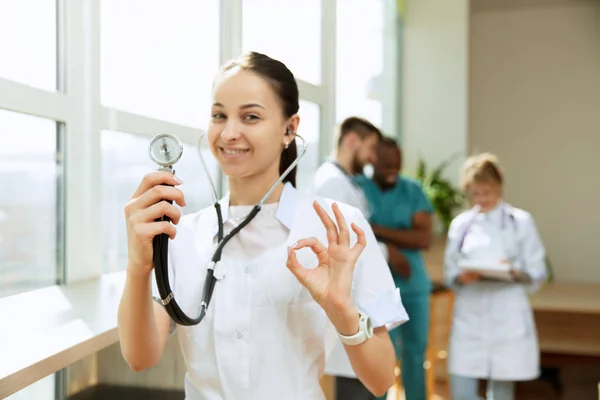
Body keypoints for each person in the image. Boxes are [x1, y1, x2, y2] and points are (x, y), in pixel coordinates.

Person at [117, 51, 409, 400]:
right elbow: (140, 357)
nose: (229, 133)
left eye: (250, 117)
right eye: (218, 115)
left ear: (290, 128)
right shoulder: (182, 234)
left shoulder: (337, 227)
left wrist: (342, 310)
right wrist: (138, 266)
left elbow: (380, 380)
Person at [443, 153, 547, 400]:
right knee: (462, 391)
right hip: (470, 312)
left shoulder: (520, 222)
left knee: (501, 392)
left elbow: (537, 271)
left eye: (487, 193)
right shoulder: (461, 225)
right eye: (476, 194)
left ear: (498, 187)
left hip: (506, 311)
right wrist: (461, 277)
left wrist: (512, 272)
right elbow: (450, 272)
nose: (482, 199)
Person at [312, 116, 387, 400]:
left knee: (370, 382)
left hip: (362, 300)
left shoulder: (346, 182)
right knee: (356, 386)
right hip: (350, 299)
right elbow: (343, 247)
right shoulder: (331, 183)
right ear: (352, 140)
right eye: (371, 147)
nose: (372, 157)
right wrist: (385, 253)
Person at [356, 137, 434, 400]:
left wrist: (376, 229)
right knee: (384, 354)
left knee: (415, 352)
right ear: (372, 160)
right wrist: (399, 241)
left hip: (414, 287)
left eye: (397, 164)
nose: (393, 169)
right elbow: (356, 230)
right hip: (379, 289)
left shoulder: (412, 190)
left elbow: (424, 239)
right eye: (387, 163)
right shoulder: (359, 187)